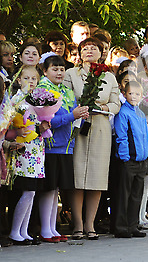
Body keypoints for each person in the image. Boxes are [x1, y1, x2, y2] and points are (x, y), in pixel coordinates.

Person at [64, 37, 121, 240]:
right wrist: (77, 109)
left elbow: (116, 103)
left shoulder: (109, 76)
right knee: (77, 178)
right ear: (80, 53)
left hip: (100, 127)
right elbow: (67, 98)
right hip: (78, 126)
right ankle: (77, 225)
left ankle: (90, 225)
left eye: (93, 48)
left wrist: (104, 108)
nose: (89, 51)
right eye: (85, 48)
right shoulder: (71, 73)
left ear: (101, 52)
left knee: (97, 178)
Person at [37, 55, 89, 242]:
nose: (59, 72)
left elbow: (74, 117)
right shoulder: (43, 91)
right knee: (48, 189)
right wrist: (72, 116)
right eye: (54, 69)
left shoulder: (67, 91)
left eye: (61, 69)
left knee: (56, 190)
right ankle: (45, 229)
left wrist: (80, 115)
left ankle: (52, 229)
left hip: (66, 147)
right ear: (44, 71)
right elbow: (48, 122)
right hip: (51, 146)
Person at [8, 66, 47, 245]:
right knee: (27, 190)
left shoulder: (38, 100)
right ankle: (15, 231)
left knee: (32, 192)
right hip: (23, 150)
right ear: (19, 80)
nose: (30, 82)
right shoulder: (16, 100)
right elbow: (9, 124)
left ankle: (24, 231)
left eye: (34, 79)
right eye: (26, 78)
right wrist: (17, 129)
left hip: (37, 150)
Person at [114, 81, 148, 238]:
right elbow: (122, 136)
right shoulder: (123, 113)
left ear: (142, 96)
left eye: (137, 94)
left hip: (142, 160)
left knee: (137, 194)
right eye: (130, 93)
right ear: (124, 94)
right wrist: (125, 157)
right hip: (129, 160)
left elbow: (144, 136)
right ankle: (121, 227)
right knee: (124, 194)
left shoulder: (140, 113)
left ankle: (132, 225)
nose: (133, 96)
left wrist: (146, 156)